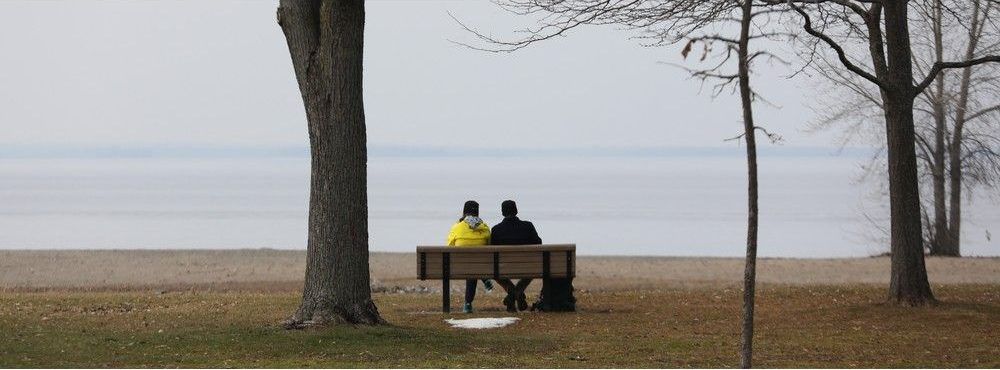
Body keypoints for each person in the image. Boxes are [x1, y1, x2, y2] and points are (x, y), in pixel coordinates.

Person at [490, 200, 542, 312]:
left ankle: (512, 295)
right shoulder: (528, 226)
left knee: (496, 273)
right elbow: (538, 243)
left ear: (502, 212)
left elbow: (491, 251)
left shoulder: (496, 230)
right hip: (527, 267)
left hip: (502, 269)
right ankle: (517, 294)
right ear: (516, 210)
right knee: (532, 270)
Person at [446, 200, 494, 313]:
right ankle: (469, 301)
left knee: (470, 267)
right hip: (479, 266)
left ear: (464, 212)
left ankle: (468, 304)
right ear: (477, 213)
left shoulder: (457, 227)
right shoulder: (485, 228)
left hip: (459, 266)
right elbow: (489, 246)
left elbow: (449, 246)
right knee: (474, 266)